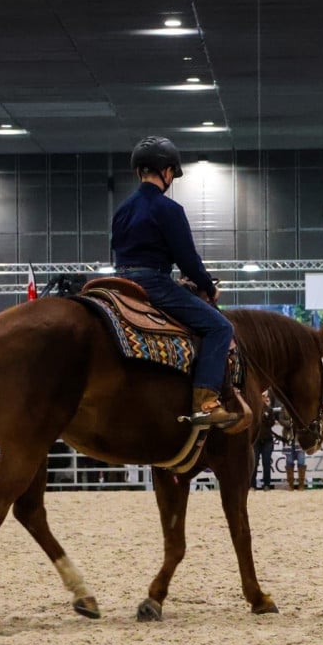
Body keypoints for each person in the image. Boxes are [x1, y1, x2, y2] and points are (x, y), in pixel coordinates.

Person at [111, 135, 236, 429]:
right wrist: (207, 285)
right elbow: (187, 259)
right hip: (152, 282)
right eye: (172, 174)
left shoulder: (122, 210)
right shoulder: (169, 209)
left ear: (139, 170)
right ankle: (206, 402)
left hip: (118, 282)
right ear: (166, 171)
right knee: (220, 327)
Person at [252, 391, 276, 490]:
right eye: (262, 396)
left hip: (267, 440)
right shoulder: (254, 409)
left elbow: (272, 423)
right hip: (256, 440)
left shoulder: (269, 410)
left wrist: (266, 415)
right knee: (254, 463)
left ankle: (266, 484)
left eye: (265, 396)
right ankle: (252, 484)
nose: (264, 398)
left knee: (266, 463)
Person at [278, 410, 306, 490]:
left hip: (300, 438)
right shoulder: (284, 407)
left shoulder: (301, 407)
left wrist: (297, 423)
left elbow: (305, 419)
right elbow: (280, 419)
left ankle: (301, 485)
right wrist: (290, 423)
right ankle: (291, 485)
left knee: (301, 461)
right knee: (289, 461)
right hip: (288, 437)